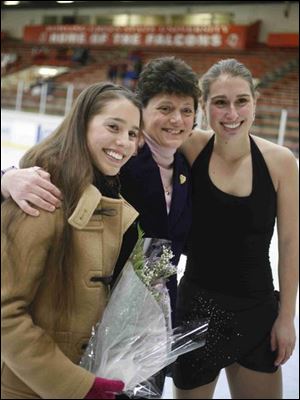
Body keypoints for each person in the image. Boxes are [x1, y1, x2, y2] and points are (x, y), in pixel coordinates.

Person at [1, 56, 201, 398]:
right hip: (51, 366)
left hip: (132, 336)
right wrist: (7, 179)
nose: (123, 141)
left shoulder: (181, 167)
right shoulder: (56, 190)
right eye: (165, 108)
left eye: (186, 110)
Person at [1, 82, 142, 399]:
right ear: (82, 124)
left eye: (133, 133)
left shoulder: (107, 192)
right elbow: (5, 314)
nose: (124, 141)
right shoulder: (43, 195)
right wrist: (76, 386)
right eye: (113, 126)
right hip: (31, 388)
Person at [173, 58, 299, 399]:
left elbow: (290, 243)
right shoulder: (189, 145)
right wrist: (13, 178)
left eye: (241, 101)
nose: (232, 114)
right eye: (220, 103)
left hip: (257, 313)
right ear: (204, 106)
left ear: (255, 102)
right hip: (196, 312)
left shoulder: (280, 162)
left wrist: (286, 318)